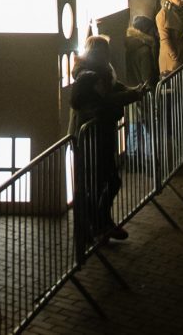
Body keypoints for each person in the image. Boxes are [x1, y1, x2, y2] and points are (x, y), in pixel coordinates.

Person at [69, 34, 143, 244]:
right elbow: (104, 102)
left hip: (97, 135)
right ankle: (98, 226)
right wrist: (132, 95)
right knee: (101, 183)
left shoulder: (97, 73)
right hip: (92, 138)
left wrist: (129, 92)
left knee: (103, 182)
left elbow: (112, 90)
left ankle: (99, 226)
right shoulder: (91, 76)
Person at [155, 0, 183, 76]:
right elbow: (165, 39)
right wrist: (175, 56)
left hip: (181, 55)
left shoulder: (179, 12)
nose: (182, 0)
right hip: (171, 61)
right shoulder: (163, 15)